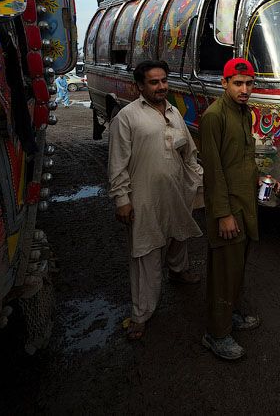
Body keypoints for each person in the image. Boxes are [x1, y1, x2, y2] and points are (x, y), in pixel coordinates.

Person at [108, 60, 203, 341]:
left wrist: (200, 182)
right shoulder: (127, 117)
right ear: (140, 86)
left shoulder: (174, 113)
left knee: (179, 233)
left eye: (163, 81)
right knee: (145, 252)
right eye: (154, 82)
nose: (161, 86)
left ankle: (178, 271)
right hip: (144, 196)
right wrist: (122, 199)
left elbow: (189, 154)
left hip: (176, 191)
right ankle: (140, 315)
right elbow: (117, 164)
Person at [199, 58, 262, 361]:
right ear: (224, 84)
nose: (245, 89)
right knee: (224, 271)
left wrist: (262, 177)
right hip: (228, 207)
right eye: (238, 83)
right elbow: (213, 171)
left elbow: (243, 155)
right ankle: (217, 334)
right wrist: (223, 214)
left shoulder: (243, 112)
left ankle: (232, 314)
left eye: (249, 83)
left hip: (244, 201)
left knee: (237, 266)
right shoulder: (214, 117)